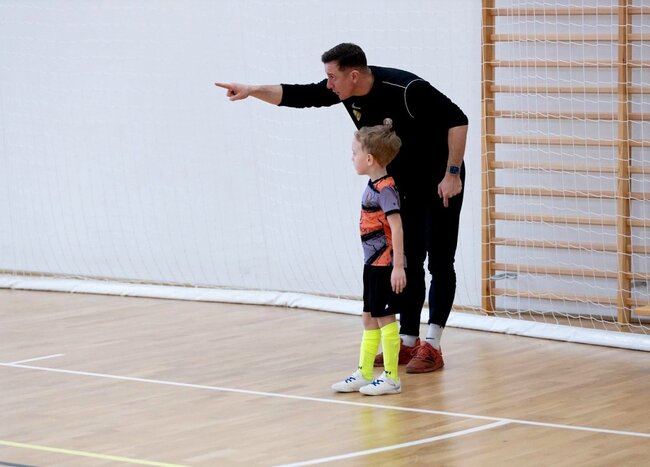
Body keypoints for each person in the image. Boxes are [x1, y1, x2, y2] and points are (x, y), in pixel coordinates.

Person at [215, 42, 468, 373]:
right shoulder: (344, 91)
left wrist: (452, 173)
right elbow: (299, 95)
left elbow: (458, 120)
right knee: (408, 260)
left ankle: (432, 345)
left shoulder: (407, 88)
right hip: (402, 185)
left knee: (440, 261)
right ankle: (408, 342)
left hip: (440, 180)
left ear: (354, 75)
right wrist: (251, 90)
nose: (328, 84)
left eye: (332, 77)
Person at [331, 123, 405, 396]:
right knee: (368, 318)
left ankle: (392, 378)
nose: (352, 157)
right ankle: (364, 373)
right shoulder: (374, 185)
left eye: (355, 153)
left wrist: (398, 266)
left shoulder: (386, 190)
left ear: (370, 159)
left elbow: (397, 227)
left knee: (385, 318)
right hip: (371, 265)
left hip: (385, 265)